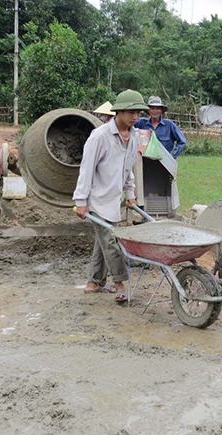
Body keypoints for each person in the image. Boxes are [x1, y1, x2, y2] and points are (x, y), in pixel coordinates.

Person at [73, 90, 149, 302]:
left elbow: (128, 168)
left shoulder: (134, 136)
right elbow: (86, 169)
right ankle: (119, 283)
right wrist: (81, 201)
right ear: (119, 112)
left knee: (102, 242)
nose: (135, 117)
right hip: (97, 200)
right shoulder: (100, 136)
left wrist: (130, 193)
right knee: (111, 241)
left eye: (138, 112)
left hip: (114, 200)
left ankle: (94, 282)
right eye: (130, 112)